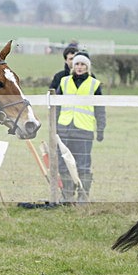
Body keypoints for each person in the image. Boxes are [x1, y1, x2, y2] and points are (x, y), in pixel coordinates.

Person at [56, 52, 106, 202]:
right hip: (64, 129)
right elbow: (56, 106)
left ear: (87, 67)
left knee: (83, 165)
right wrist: (54, 128)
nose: (79, 67)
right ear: (73, 65)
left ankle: (83, 196)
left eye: (83, 64)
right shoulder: (64, 82)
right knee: (63, 164)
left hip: (84, 131)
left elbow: (100, 109)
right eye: (77, 64)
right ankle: (67, 195)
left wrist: (101, 129)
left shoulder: (94, 84)